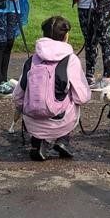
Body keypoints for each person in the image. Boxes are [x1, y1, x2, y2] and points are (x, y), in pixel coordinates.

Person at [12, 15, 91, 161]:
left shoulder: (32, 59)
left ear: (44, 34)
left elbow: (18, 95)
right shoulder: (71, 60)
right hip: (60, 121)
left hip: (32, 121)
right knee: (72, 98)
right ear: (66, 35)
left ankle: (38, 142)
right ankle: (62, 140)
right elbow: (82, 97)